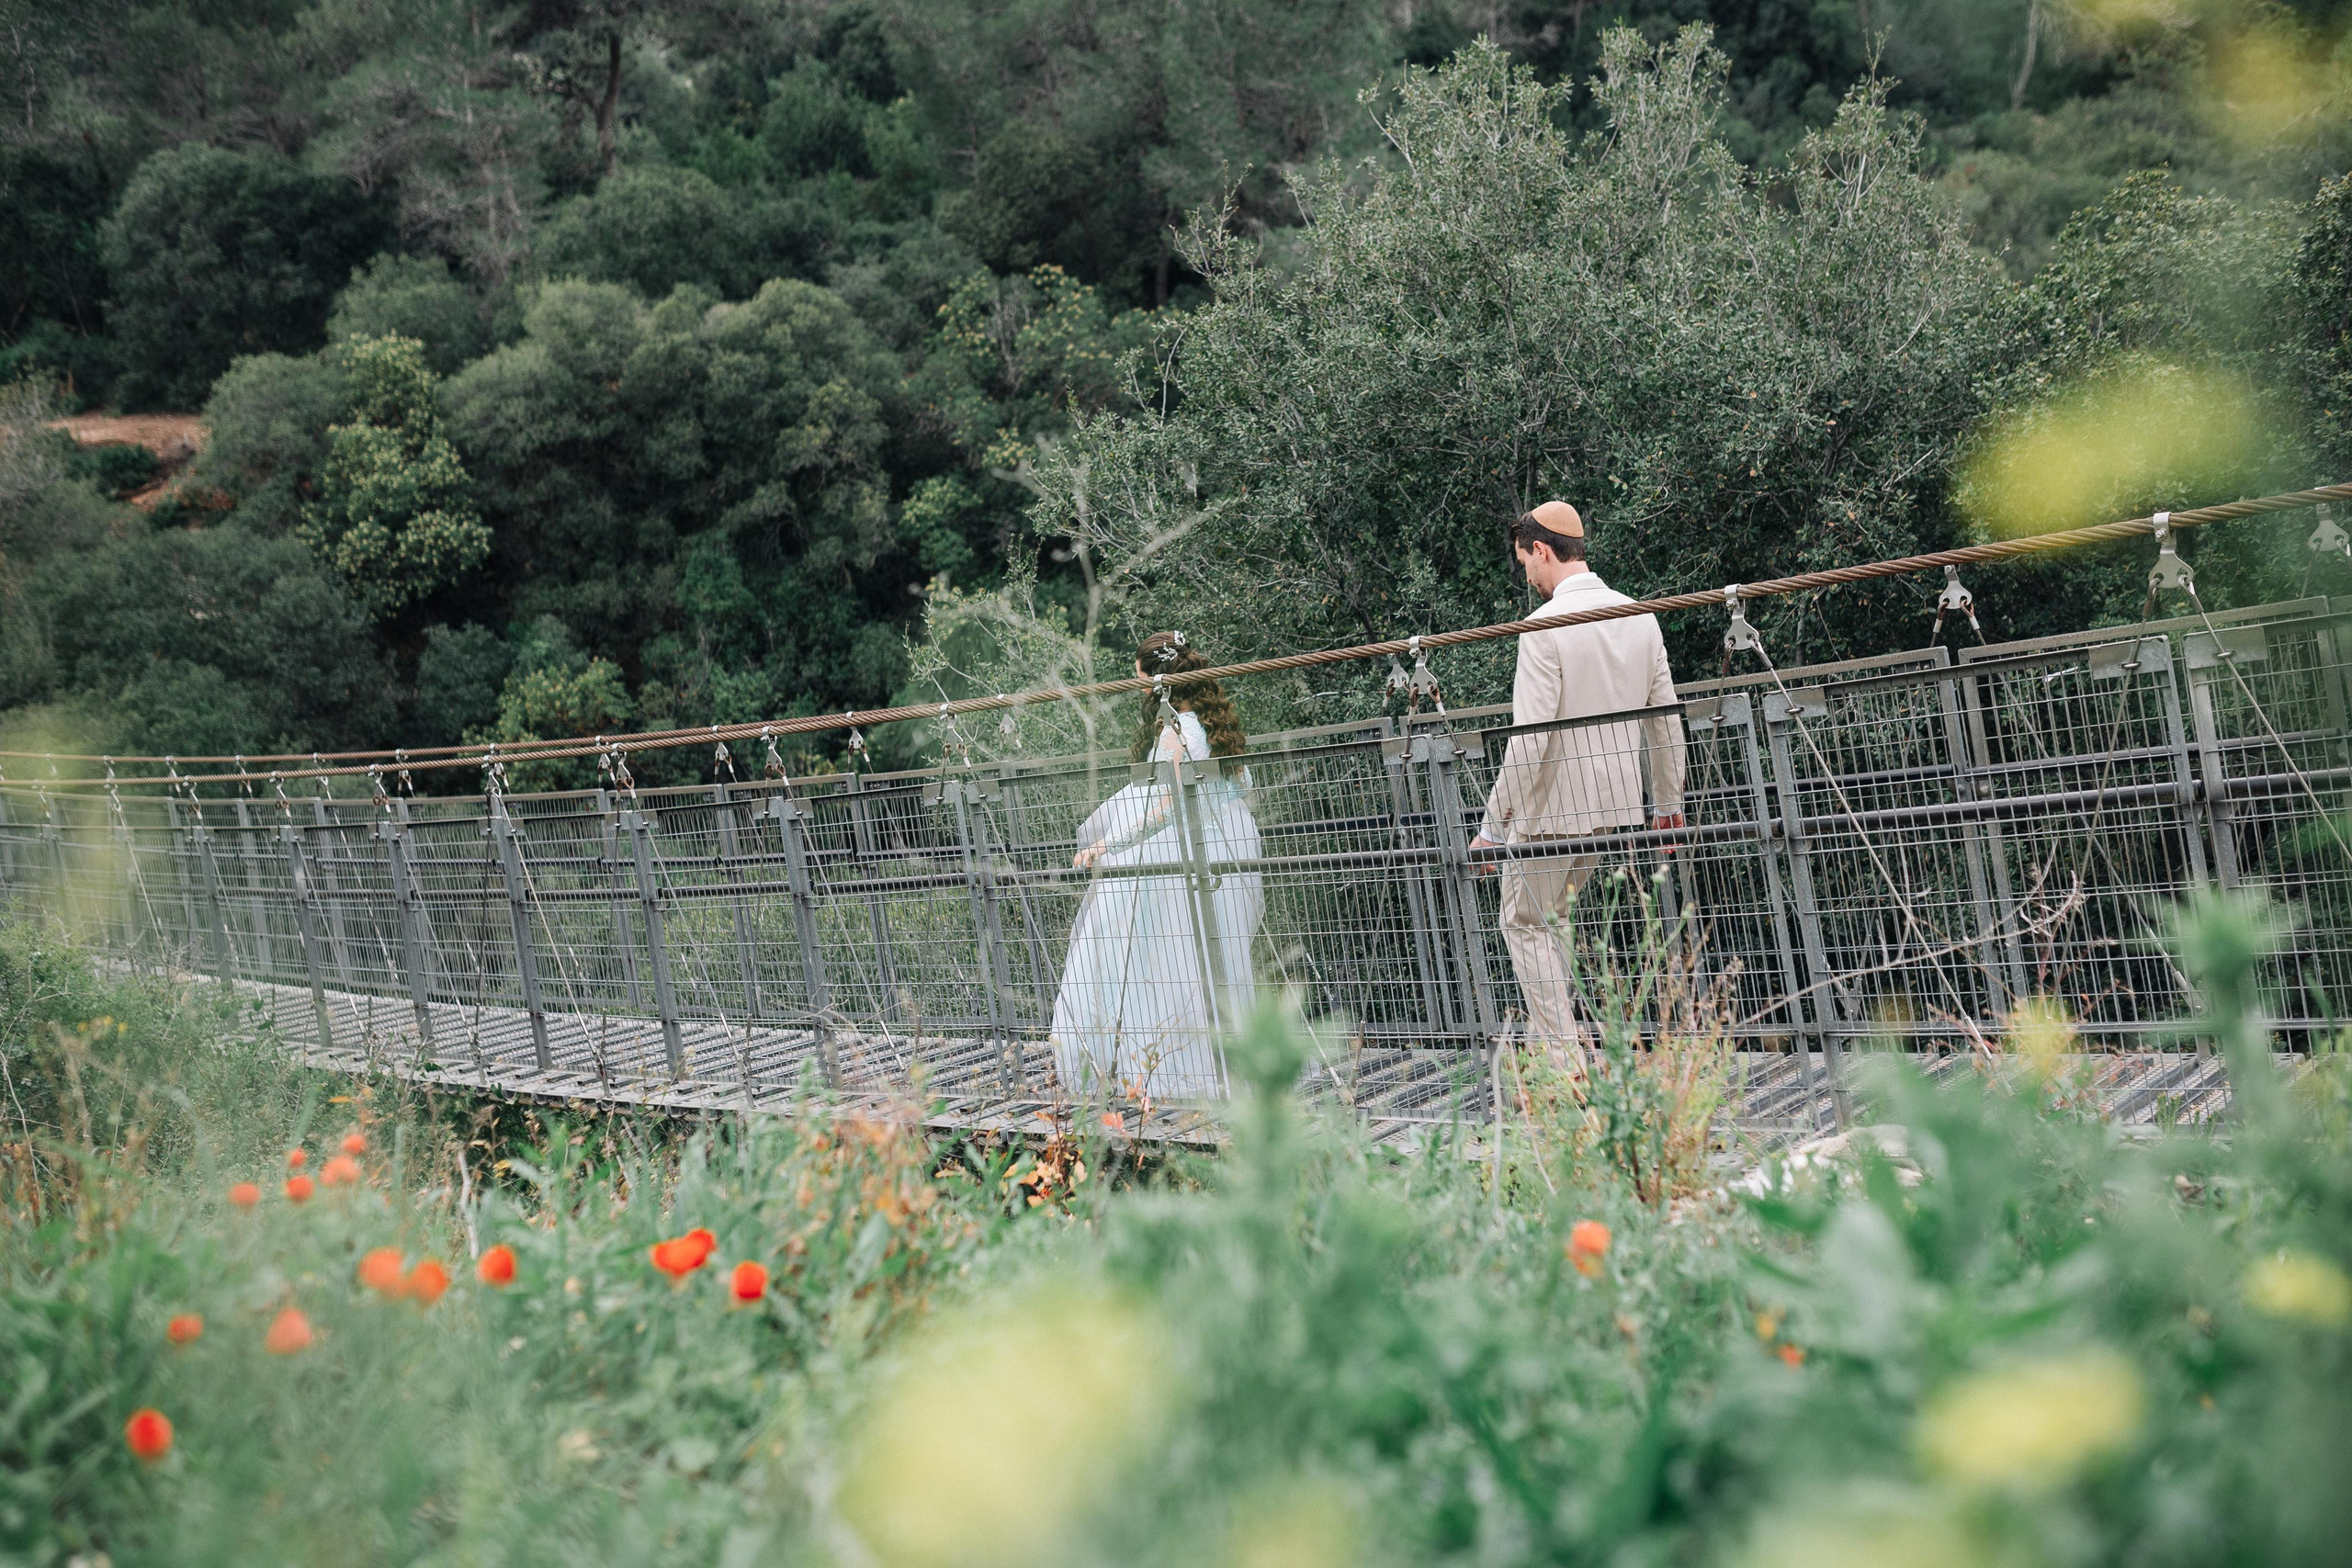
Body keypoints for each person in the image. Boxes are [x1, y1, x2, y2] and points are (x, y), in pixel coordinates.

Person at [1469, 501, 1686, 1066]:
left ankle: (1566, 1066)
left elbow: (1530, 738)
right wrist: (1668, 805)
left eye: (1526, 563)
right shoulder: (1640, 616)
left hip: (1549, 817)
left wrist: (1493, 825)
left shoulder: (1544, 627)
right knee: (1554, 920)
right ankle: (1552, 1059)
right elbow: (1665, 719)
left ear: (1542, 550)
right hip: (1614, 810)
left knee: (1521, 921)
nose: (1528, 577)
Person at [1052, 631, 1263, 1099]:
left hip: (1175, 860)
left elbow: (1165, 809)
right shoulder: (1216, 726)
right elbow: (1242, 790)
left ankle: (1163, 1079)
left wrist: (1108, 843)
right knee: (1208, 967)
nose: (1138, 689)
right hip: (1221, 856)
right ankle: (1224, 1072)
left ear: (1158, 682)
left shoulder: (1176, 734)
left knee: (1152, 964)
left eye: (1140, 679)